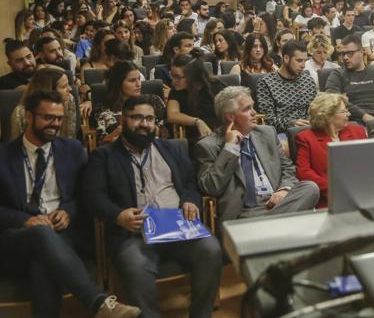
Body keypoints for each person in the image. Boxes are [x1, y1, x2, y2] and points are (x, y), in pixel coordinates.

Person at [0, 90, 141, 318]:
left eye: (59, 119)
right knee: (40, 234)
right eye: (48, 118)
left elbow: (85, 195)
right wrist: (25, 220)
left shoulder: (72, 150)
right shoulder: (4, 156)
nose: (55, 125)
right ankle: (98, 302)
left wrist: (68, 210)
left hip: (61, 232)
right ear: (28, 116)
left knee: (43, 264)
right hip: (16, 239)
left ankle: (100, 306)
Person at [83, 95, 222, 318]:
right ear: (123, 120)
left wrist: (189, 200)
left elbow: (189, 182)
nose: (144, 124)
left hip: (177, 226)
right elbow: (93, 197)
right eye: (137, 117)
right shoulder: (104, 155)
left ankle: (201, 314)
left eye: (149, 118)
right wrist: (118, 215)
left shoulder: (171, 149)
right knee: (135, 264)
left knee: (211, 248)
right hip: (135, 233)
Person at [193, 86, 319, 224]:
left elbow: (288, 168)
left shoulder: (267, 133)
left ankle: (264, 228)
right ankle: (276, 228)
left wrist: (284, 190)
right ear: (231, 116)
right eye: (247, 109)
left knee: (310, 188)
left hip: (278, 204)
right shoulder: (208, 146)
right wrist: (229, 148)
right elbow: (211, 187)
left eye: (253, 107)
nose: (255, 113)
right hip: (245, 212)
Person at [295, 93, 367, 208]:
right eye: (343, 112)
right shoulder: (306, 138)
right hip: (330, 199)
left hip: (363, 194)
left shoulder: (358, 131)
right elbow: (303, 172)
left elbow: (369, 162)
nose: (349, 114)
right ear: (328, 116)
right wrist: (333, 188)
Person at [325, 34, 374, 125]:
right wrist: (364, 116)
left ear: (362, 52)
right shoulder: (337, 74)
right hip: (353, 122)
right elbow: (333, 99)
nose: (345, 57)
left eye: (350, 53)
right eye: (342, 54)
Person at [93, 62, 164, 145]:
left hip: (155, 148)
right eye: (132, 80)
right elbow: (100, 143)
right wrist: (116, 132)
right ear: (118, 84)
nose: (139, 84)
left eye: (139, 79)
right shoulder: (103, 110)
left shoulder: (154, 101)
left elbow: (167, 131)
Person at [256, 40, 317, 134]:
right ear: (286, 58)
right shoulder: (266, 82)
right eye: (299, 61)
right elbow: (267, 119)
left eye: (305, 61)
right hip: (283, 132)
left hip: (309, 129)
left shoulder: (308, 80)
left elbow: (316, 110)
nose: (303, 66)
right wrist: (290, 123)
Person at [167, 53, 226, 141]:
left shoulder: (216, 86)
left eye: (178, 77)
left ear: (192, 76)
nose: (173, 81)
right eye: (172, 76)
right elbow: (172, 115)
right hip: (194, 137)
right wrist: (197, 122)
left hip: (219, 133)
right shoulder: (176, 90)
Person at [11, 68, 77, 140]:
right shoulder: (20, 113)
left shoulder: (69, 100)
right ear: (50, 91)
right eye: (64, 86)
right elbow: (17, 144)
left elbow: (70, 136)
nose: (70, 89)